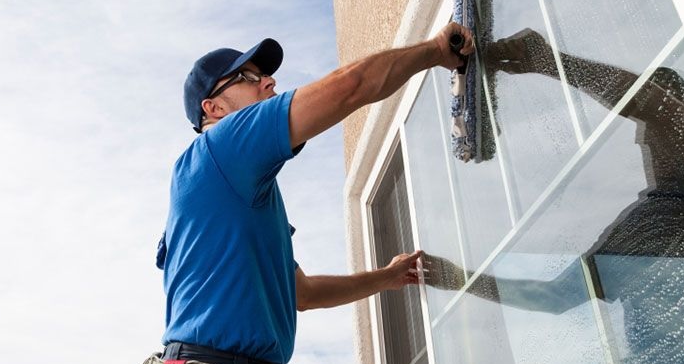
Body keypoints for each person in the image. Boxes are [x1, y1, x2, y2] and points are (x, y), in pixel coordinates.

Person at [155, 22, 474, 364]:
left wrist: (386, 277)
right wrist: (437, 51)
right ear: (214, 109)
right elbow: (350, 87)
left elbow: (303, 293)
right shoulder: (222, 146)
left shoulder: (238, 195)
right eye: (248, 78)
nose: (269, 81)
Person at [425, 28, 684, 363]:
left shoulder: (672, 212)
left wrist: (551, 62)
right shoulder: (650, 225)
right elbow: (555, 296)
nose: (643, 143)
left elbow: (657, 107)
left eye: (650, 133)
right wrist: (458, 280)